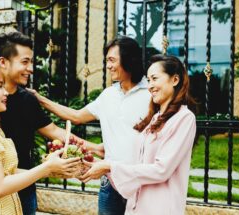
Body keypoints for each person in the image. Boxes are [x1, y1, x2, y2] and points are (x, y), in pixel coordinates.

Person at [0, 32, 101, 215]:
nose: (31, 68)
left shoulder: (23, 103)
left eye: (31, 62)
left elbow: (55, 131)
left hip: (23, 191)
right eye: (24, 62)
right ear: (3, 62)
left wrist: (94, 149)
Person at [29, 36, 151, 215]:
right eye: (107, 60)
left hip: (140, 182)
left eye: (112, 60)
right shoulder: (108, 95)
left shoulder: (150, 94)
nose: (108, 66)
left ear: (129, 59)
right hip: (110, 183)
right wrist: (40, 99)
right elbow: (76, 116)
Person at [81, 54, 197, 215]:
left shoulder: (184, 118)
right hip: (136, 207)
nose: (150, 86)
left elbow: (161, 170)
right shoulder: (155, 119)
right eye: (148, 80)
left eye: (155, 78)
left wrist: (109, 166)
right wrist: (102, 167)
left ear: (175, 80)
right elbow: (137, 166)